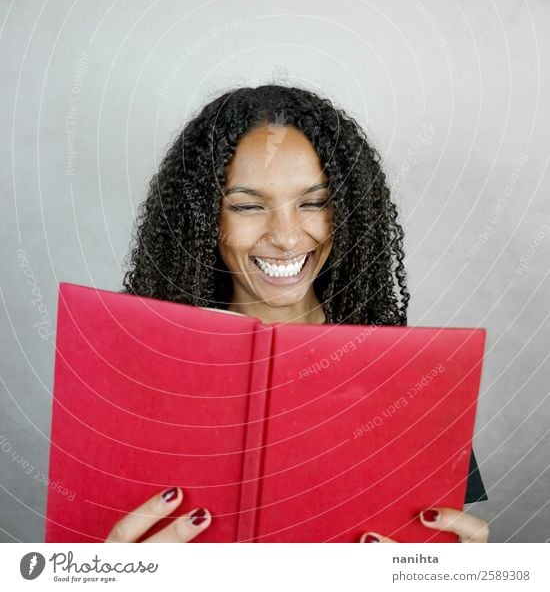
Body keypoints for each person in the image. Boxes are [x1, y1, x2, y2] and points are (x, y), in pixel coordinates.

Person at [107, 84, 489, 544]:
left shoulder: (410, 382)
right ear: (203, 219)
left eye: (314, 202)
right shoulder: (134, 374)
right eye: (247, 206)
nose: (287, 238)